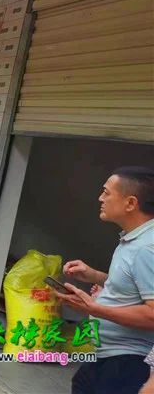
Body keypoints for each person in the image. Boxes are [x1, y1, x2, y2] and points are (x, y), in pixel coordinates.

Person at [52, 166, 154, 394]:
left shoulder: (147, 248)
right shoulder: (134, 240)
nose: (100, 198)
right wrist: (95, 275)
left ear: (130, 203)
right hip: (107, 356)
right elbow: (137, 287)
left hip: (128, 363)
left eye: (107, 192)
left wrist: (94, 308)